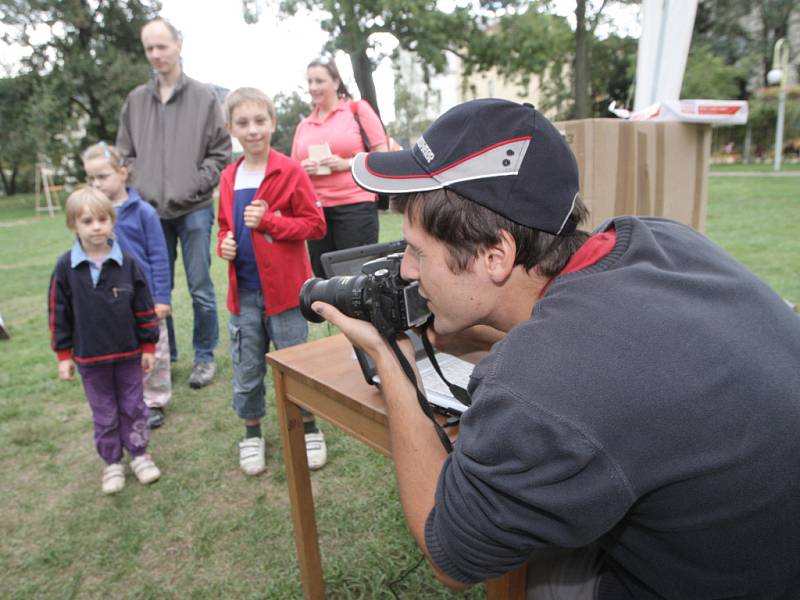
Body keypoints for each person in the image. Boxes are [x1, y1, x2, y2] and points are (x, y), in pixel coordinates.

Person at [313, 99, 800, 598]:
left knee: (541, 576)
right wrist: (476, 330)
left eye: (417, 251)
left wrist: (393, 362)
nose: (407, 272)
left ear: (495, 255)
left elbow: (450, 557)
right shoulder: (657, 238)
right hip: (765, 546)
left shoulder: (541, 387)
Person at [116, 17, 231, 389]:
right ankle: (165, 353)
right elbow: (124, 155)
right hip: (148, 214)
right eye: (149, 48)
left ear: (178, 44)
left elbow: (219, 152)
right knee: (151, 290)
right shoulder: (135, 100)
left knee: (200, 286)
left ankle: (204, 356)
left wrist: (192, 186)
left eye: (161, 46)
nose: (155, 54)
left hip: (194, 209)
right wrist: (142, 186)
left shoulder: (204, 97)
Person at [218, 88, 328, 474]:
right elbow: (222, 227)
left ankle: (309, 426)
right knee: (247, 368)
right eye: (243, 123)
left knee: (296, 364)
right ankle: (252, 432)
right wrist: (224, 245)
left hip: (285, 294)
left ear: (273, 123)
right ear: (230, 128)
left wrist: (270, 223)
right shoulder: (229, 177)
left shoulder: (290, 170)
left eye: (259, 121)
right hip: (244, 295)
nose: (252, 130)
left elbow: (316, 225)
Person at [48, 187, 162, 495]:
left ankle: (139, 454)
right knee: (105, 413)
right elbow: (58, 313)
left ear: (112, 221)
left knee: (133, 407)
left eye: (102, 219)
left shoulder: (128, 263)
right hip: (89, 360)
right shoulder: (64, 268)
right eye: (87, 221)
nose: (96, 227)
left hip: (129, 355)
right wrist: (64, 355)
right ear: (74, 225)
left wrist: (149, 346)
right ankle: (112, 462)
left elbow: (144, 306)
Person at [82, 142, 172, 430]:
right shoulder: (94, 216)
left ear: (122, 173)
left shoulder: (143, 211)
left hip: (143, 297)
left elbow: (159, 256)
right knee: (125, 348)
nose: (97, 183)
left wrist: (160, 296)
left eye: (103, 176)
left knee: (154, 349)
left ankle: (155, 400)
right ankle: (129, 398)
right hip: (110, 300)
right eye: (91, 178)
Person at [291, 56, 387, 277]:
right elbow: (293, 169)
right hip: (315, 211)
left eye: (319, 81)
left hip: (355, 207)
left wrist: (347, 163)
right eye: (310, 82)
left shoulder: (357, 110)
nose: (313, 87)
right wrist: (302, 168)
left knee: (356, 277)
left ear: (335, 83)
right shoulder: (304, 125)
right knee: (324, 279)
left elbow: (382, 156)